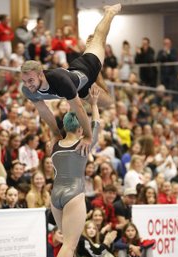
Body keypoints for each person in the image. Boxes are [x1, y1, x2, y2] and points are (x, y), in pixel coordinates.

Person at [21, 4, 121, 155]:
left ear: (41, 75)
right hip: (80, 87)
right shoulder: (28, 91)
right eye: (25, 81)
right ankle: (98, 76)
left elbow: (78, 108)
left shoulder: (58, 79)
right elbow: (44, 112)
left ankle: (109, 12)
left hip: (87, 66)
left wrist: (87, 136)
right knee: (108, 102)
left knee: (99, 39)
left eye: (31, 81)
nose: (28, 85)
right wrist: (55, 134)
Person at [49, 85, 100, 257]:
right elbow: (96, 125)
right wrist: (94, 104)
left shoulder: (55, 144)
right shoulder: (83, 145)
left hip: (56, 195)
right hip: (73, 195)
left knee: (67, 242)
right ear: (80, 129)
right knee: (69, 244)